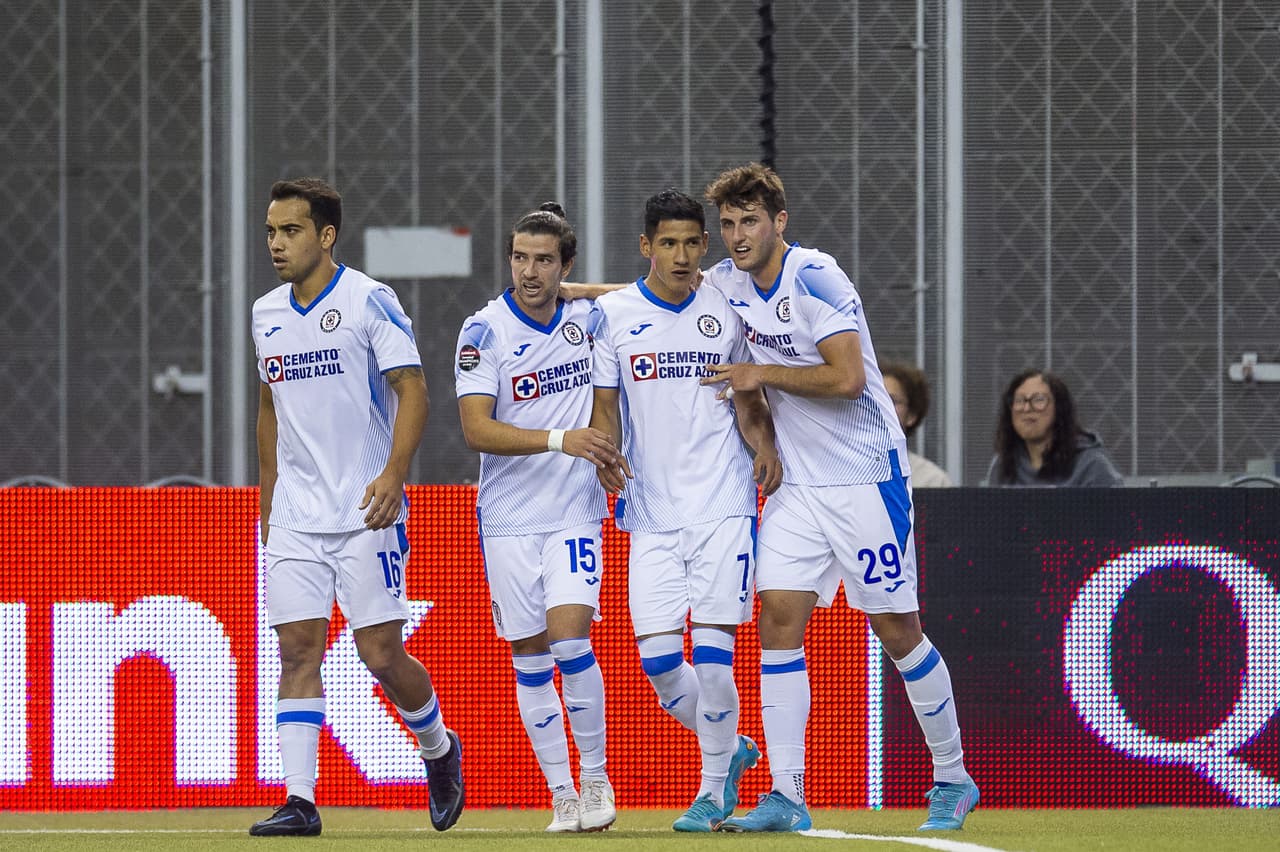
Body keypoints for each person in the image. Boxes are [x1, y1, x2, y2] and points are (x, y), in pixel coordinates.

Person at [696, 163, 979, 833]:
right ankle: (787, 794)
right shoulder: (727, 283)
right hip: (797, 486)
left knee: (897, 631)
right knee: (778, 619)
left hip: (864, 481)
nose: (736, 236)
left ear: (779, 222)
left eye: (750, 222)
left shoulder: (815, 277)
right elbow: (648, 291)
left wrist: (758, 371)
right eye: (728, 224)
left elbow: (849, 378)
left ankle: (953, 776)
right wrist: (563, 292)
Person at [251, 178, 464, 836]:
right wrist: (267, 501)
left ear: (325, 235)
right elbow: (269, 408)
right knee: (296, 651)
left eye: (290, 231)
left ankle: (439, 749)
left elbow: (415, 390)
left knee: (378, 653)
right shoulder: (266, 313)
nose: (277, 244)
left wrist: (396, 475)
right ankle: (301, 801)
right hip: (294, 515)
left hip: (366, 508)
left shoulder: (370, 299)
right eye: (270, 232)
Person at [588, 190, 780, 832]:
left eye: (692, 242)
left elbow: (748, 394)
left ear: (705, 246)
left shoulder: (726, 302)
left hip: (723, 504)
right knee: (662, 665)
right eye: (666, 243)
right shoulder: (612, 315)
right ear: (646, 246)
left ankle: (712, 785)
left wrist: (765, 448)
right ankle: (732, 747)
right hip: (650, 510)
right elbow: (606, 404)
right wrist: (603, 452)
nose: (680, 254)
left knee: (715, 654)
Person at [453, 203, 621, 833]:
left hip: (574, 511)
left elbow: (641, 295)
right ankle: (562, 793)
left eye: (544, 260)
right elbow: (475, 428)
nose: (528, 270)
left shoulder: (585, 316)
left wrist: (596, 449)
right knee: (529, 657)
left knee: (572, 641)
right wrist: (563, 439)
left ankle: (598, 776)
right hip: (507, 518)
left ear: (565, 266)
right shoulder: (483, 331)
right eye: (520, 257)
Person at [983, 369, 1123, 487]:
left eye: (1038, 400)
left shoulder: (1092, 465)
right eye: (1019, 401)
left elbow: (1121, 515)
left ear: (1059, 409)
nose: (1026, 408)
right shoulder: (1002, 465)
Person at [881, 362, 953, 488]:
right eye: (875, 399)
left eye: (892, 400)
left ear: (912, 415)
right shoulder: (846, 471)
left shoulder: (932, 480)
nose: (882, 407)